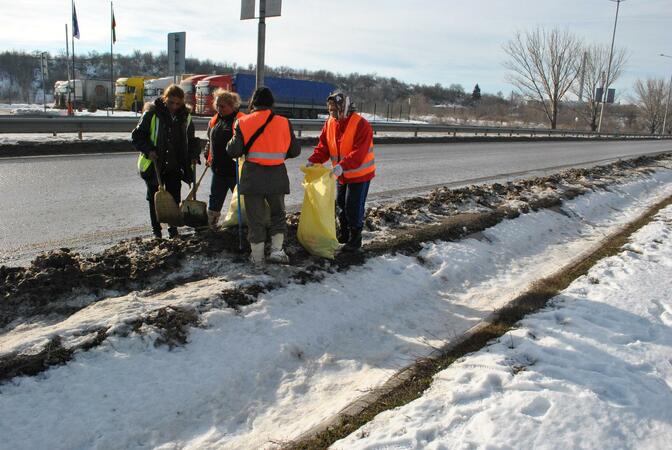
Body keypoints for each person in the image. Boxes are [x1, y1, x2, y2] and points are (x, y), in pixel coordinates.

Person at [226, 86, 301, 265]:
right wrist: (280, 153)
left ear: (253, 102)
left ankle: (257, 257)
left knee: (255, 218)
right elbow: (295, 150)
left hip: (253, 177)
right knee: (278, 214)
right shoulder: (284, 122)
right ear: (271, 103)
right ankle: (276, 250)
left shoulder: (242, 122)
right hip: (277, 175)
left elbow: (234, 150)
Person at [306, 91, 375, 252]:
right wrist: (313, 160)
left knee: (353, 206)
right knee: (341, 205)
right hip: (341, 174)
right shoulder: (331, 123)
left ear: (343, 107)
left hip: (359, 174)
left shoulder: (361, 124)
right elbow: (324, 146)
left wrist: (342, 165)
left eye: (334, 109)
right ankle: (344, 234)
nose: (332, 112)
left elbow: (359, 152)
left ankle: (355, 238)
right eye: (330, 109)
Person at [132, 84, 201, 239]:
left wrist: (194, 154)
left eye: (178, 103)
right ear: (165, 99)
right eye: (171, 102)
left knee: (174, 198)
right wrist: (149, 150)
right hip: (155, 164)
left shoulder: (185, 117)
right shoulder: (152, 114)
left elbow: (191, 140)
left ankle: (173, 229)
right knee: (155, 199)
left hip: (175, 165)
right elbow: (137, 137)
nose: (174, 107)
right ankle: (156, 232)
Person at [204, 88, 244, 229]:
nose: (219, 109)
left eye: (223, 106)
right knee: (214, 200)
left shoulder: (240, 120)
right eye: (217, 106)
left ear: (232, 106)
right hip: (218, 169)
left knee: (240, 201)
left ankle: (242, 225)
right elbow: (210, 140)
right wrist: (207, 153)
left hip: (235, 171)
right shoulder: (215, 121)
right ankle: (210, 224)